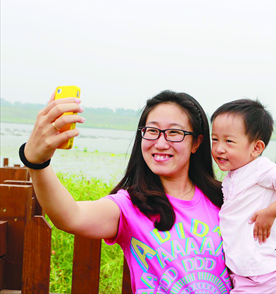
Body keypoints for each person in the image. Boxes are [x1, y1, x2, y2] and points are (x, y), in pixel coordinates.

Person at [20, 90, 232, 293]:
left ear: (196, 142)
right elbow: (71, 216)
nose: (160, 143)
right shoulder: (131, 206)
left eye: (174, 133)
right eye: (152, 131)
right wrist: (38, 163)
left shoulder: (226, 198)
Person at [210, 99, 276, 294]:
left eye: (229, 141)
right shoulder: (233, 175)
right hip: (242, 272)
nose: (219, 148)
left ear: (256, 148)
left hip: (258, 276)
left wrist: (271, 212)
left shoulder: (260, 168)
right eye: (215, 139)